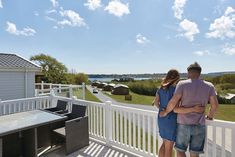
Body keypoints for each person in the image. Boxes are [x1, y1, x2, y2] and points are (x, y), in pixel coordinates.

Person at [159, 62, 219, 157]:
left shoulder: (182, 84)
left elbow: (173, 102)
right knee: (194, 153)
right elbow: (215, 105)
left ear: (189, 72)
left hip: (183, 124)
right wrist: (210, 116)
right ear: (199, 73)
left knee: (180, 151)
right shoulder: (209, 86)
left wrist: (166, 112)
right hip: (200, 125)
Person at [153, 69, 205, 157]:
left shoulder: (160, 88)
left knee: (164, 143)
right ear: (177, 78)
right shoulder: (176, 89)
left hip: (161, 118)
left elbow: (155, 103)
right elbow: (175, 105)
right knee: (169, 147)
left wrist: (162, 109)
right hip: (171, 119)